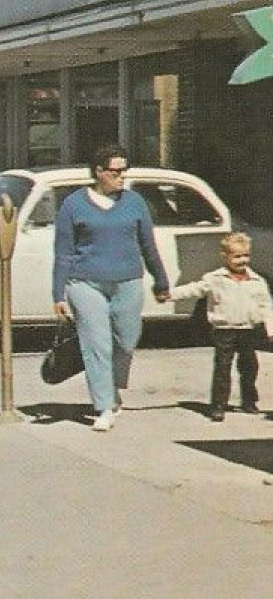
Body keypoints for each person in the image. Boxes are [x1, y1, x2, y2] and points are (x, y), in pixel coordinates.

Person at [52, 144, 170, 433]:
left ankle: (112, 386)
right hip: (85, 283)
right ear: (99, 172)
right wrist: (58, 293)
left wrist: (161, 280)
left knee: (126, 340)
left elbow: (148, 246)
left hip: (128, 281)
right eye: (115, 171)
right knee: (97, 345)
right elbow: (64, 252)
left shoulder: (135, 202)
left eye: (124, 171)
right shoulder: (73, 205)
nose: (121, 177)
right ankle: (103, 406)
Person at [169, 232, 273, 422]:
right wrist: (170, 294)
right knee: (223, 368)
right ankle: (218, 405)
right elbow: (194, 289)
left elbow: (266, 306)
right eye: (237, 256)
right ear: (225, 257)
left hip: (248, 329)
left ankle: (249, 401)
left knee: (250, 367)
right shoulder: (215, 278)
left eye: (246, 256)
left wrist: (270, 329)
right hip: (224, 330)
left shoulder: (257, 281)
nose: (242, 260)